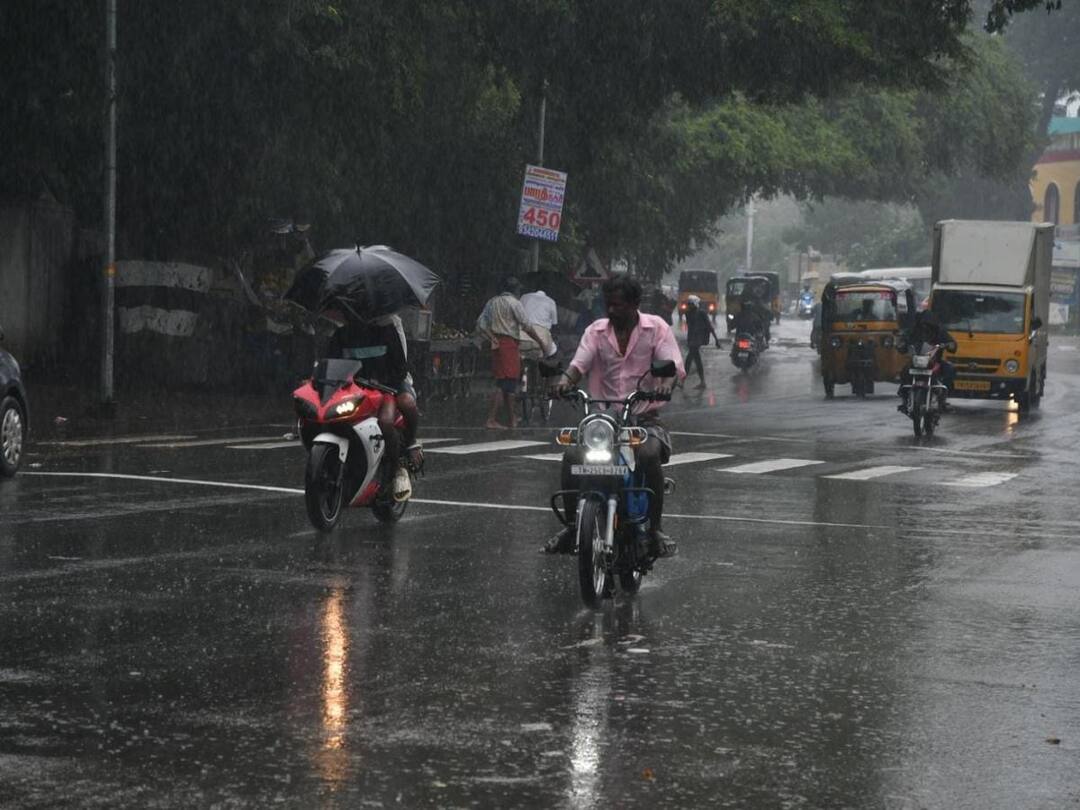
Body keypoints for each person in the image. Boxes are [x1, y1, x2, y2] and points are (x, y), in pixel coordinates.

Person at [544, 274, 686, 559]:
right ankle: (574, 527)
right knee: (572, 456)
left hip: (643, 419)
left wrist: (663, 386)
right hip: (603, 421)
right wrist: (564, 382)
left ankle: (655, 529)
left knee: (647, 455)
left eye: (618, 305)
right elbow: (578, 365)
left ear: (634, 304)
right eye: (608, 305)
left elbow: (671, 368)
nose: (611, 311)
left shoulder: (656, 328)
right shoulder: (596, 331)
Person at [325, 308, 420, 500]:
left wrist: (380, 380)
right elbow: (329, 364)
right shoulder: (341, 335)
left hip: (386, 389)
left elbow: (400, 369)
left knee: (386, 422)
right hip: (352, 391)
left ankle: (394, 472)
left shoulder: (388, 330)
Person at [476, 278, 551, 430]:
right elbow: (527, 325)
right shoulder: (514, 303)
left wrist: (492, 337)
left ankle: (511, 419)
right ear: (515, 290)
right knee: (507, 383)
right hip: (509, 344)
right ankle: (496, 419)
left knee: (502, 382)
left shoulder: (492, 302)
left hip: (496, 344)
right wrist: (541, 343)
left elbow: (481, 324)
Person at [896, 310, 956, 414]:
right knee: (905, 371)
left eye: (928, 324)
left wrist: (950, 345)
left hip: (934, 361)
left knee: (950, 370)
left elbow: (951, 342)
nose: (925, 327)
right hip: (917, 361)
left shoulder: (939, 332)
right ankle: (904, 399)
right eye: (923, 324)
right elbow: (904, 341)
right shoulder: (913, 331)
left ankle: (943, 400)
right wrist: (902, 345)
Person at [684, 295, 720, 389]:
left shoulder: (701, 313)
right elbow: (690, 328)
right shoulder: (688, 313)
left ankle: (682, 381)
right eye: (689, 304)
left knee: (689, 360)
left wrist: (716, 340)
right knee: (696, 360)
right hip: (692, 339)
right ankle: (702, 382)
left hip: (698, 339)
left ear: (695, 304)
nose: (689, 306)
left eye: (691, 304)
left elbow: (709, 326)